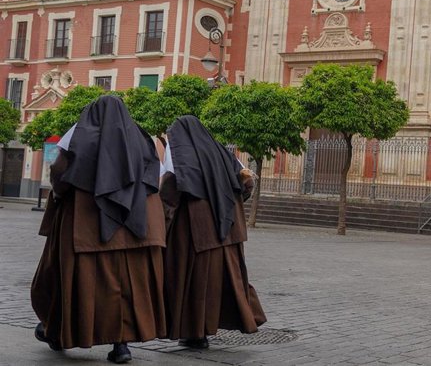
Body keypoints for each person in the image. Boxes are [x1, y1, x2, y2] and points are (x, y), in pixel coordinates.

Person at [31, 96, 167, 364]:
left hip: (87, 225)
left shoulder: (79, 134)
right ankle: (121, 346)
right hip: (133, 229)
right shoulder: (142, 139)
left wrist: (59, 195)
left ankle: (59, 332)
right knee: (126, 287)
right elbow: (157, 177)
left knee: (73, 279)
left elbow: (59, 169)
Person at [161, 115, 266, 349]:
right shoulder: (221, 152)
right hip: (229, 231)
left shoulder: (180, 155)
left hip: (196, 232)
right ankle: (230, 323)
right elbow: (247, 182)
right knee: (225, 280)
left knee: (196, 281)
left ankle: (196, 333)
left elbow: (169, 191)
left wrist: (164, 223)